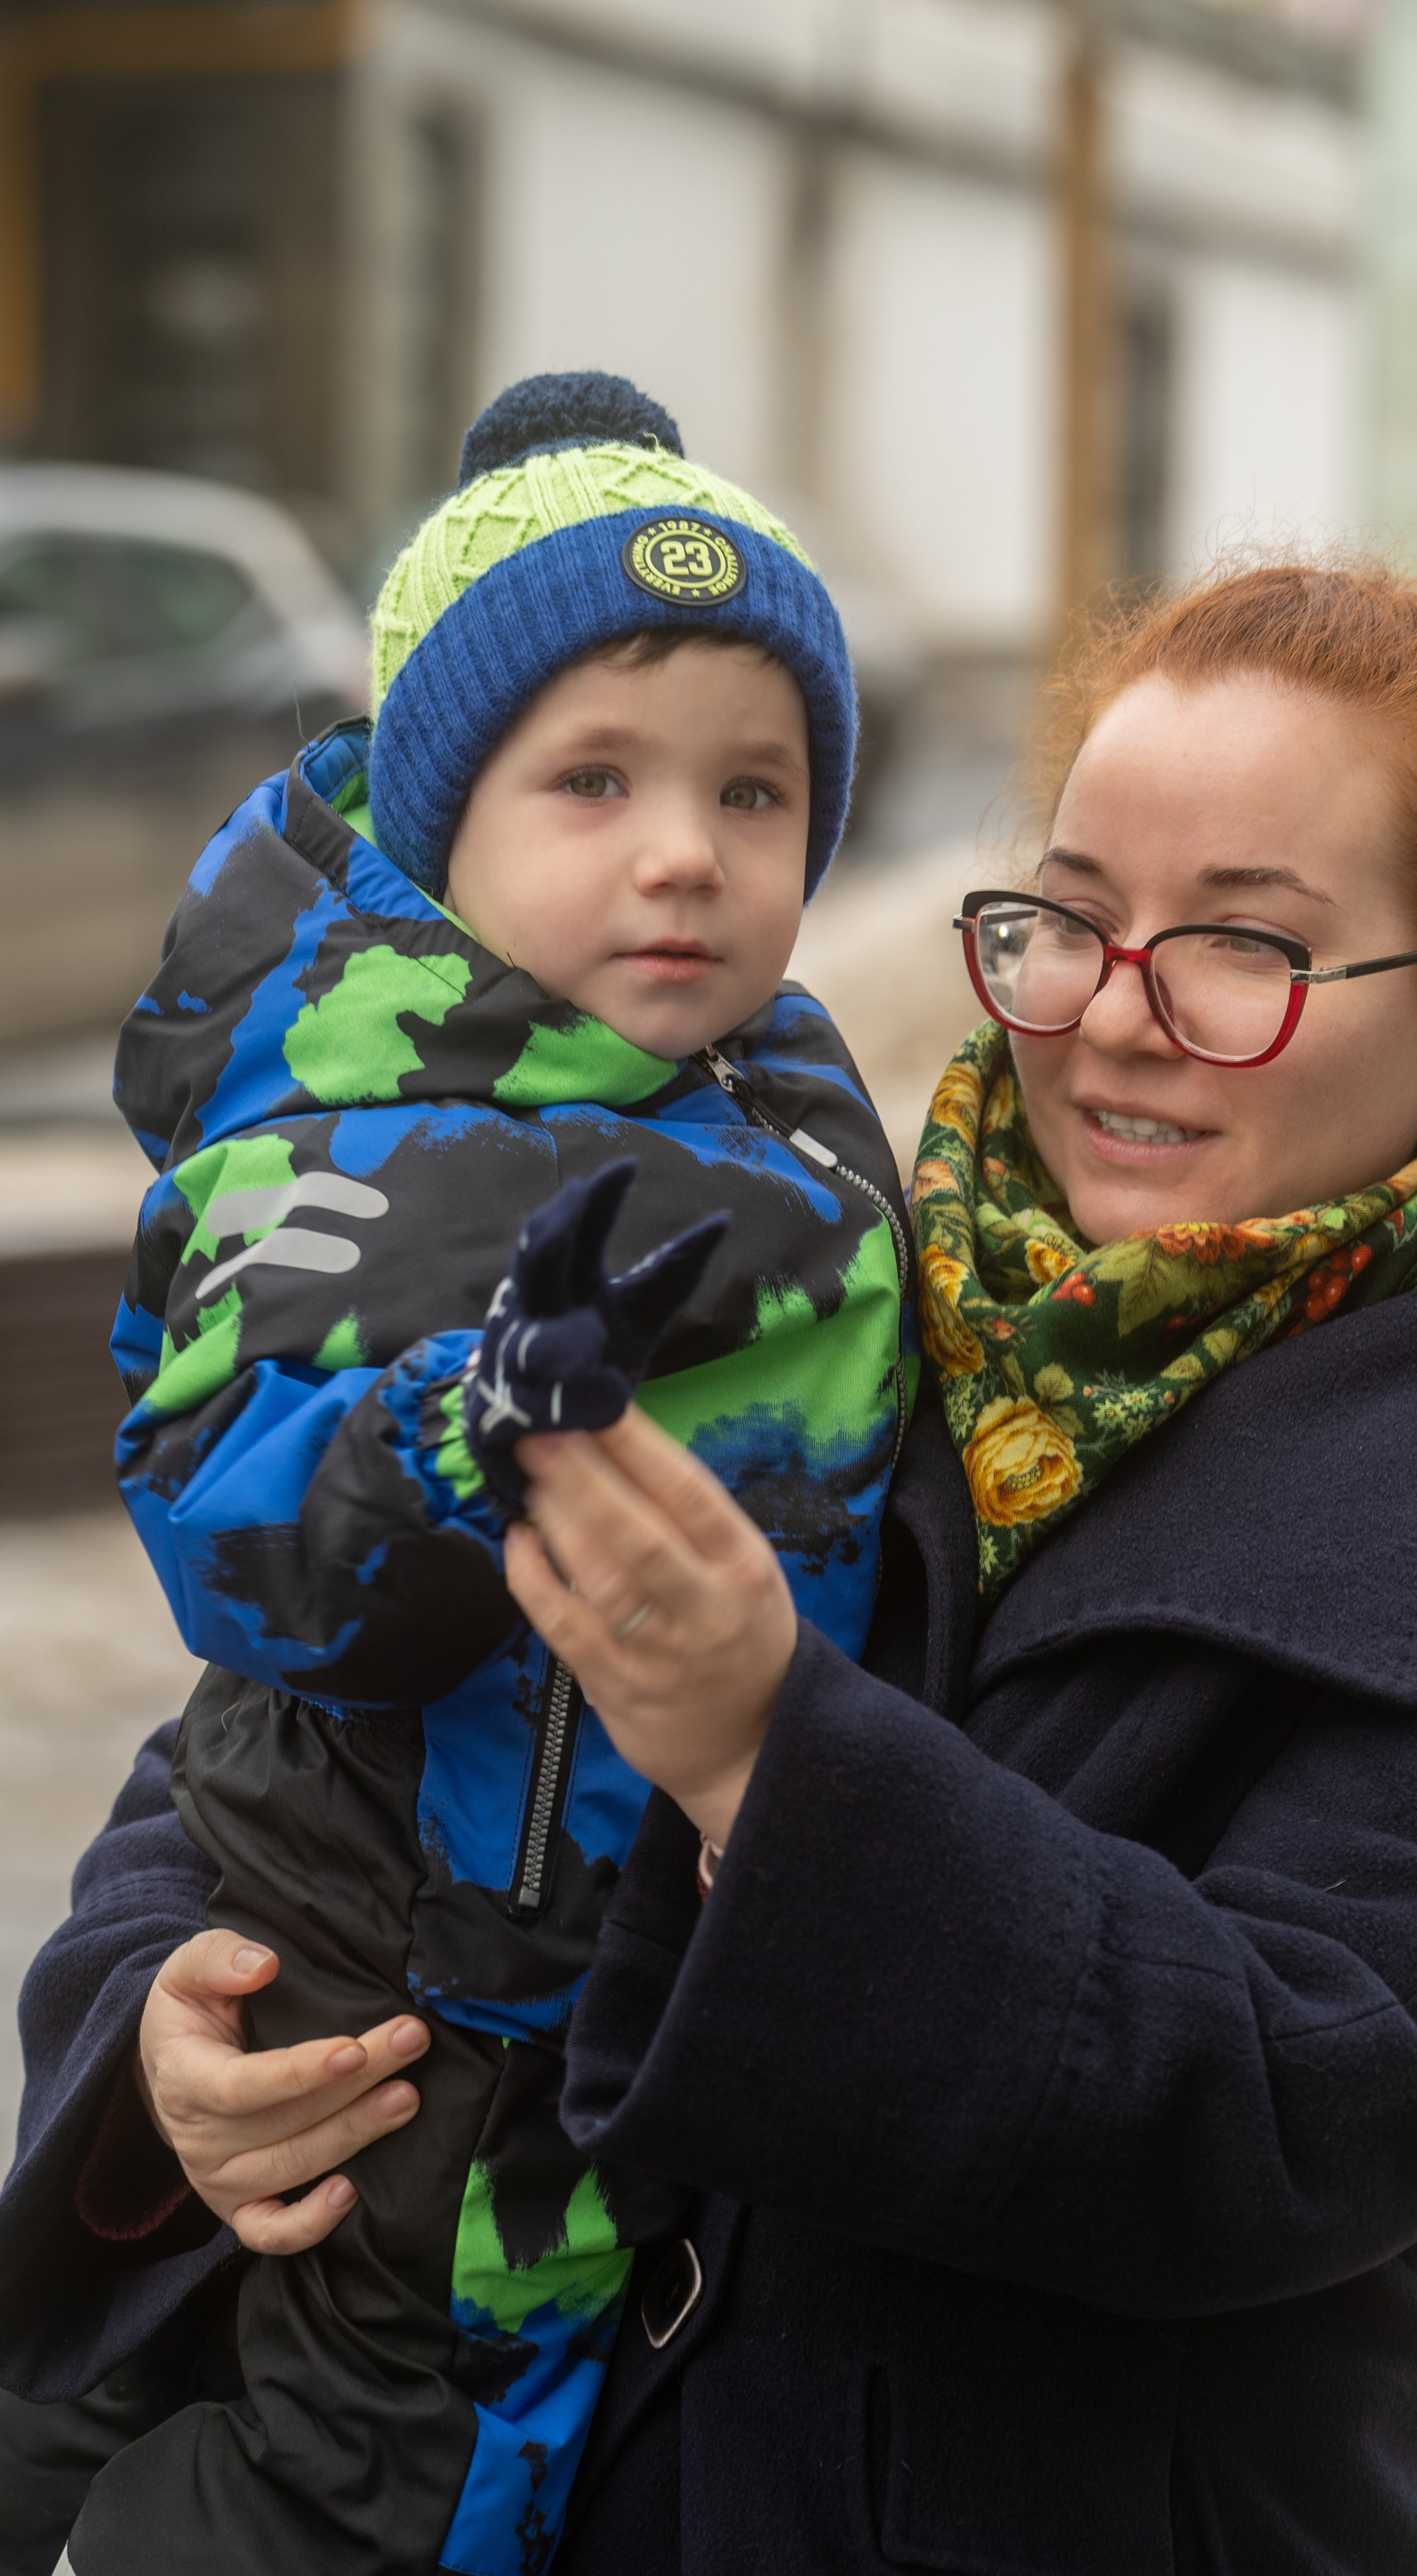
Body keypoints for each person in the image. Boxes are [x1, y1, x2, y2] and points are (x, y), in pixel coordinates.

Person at [7, 562, 1417, 2576]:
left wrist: (771, 1761)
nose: (1110, 1021)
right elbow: (318, 1705)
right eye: (1067, 918)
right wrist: (165, 2037)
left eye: (1245, 946)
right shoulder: (837, 1279)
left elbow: (1286, 2116)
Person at [0, 372, 909, 2575]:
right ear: (443, 815)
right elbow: (241, 1534)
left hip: (637, 1989)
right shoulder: (334, 1141)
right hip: (411, 2012)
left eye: (756, 789)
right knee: (366, 2494)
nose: (687, 849)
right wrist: (459, 1421)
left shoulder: (771, 1082)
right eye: (592, 778)